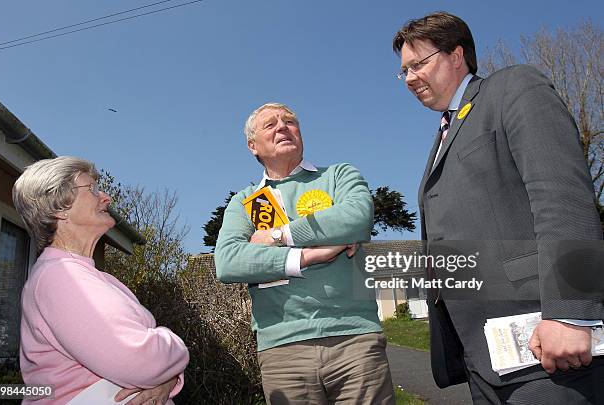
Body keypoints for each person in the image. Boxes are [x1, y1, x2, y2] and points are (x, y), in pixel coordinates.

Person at [392, 11, 603, 404]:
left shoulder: (512, 88)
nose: (409, 79)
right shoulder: (445, 133)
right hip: (486, 360)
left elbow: (561, 196)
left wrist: (570, 312)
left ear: (457, 55)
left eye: (418, 64)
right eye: (403, 72)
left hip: (547, 348)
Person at [215, 103, 395, 404]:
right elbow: (229, 261)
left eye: (289, 121)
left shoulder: (337, 175)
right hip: (282, 350)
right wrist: (308, 256)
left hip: (354, 339)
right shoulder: (247, 201)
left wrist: (279, 235)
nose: (282, 127)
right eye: (270, 124)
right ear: (252, 145)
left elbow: (357, 217)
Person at [13, 156, 189, 404]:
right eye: (92, 189)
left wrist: (167, 376)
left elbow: (148, 365)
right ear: (59, 207)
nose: (106, 197)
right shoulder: (61, 277)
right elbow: (140, 362)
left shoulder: (91, 276)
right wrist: (174, 344)